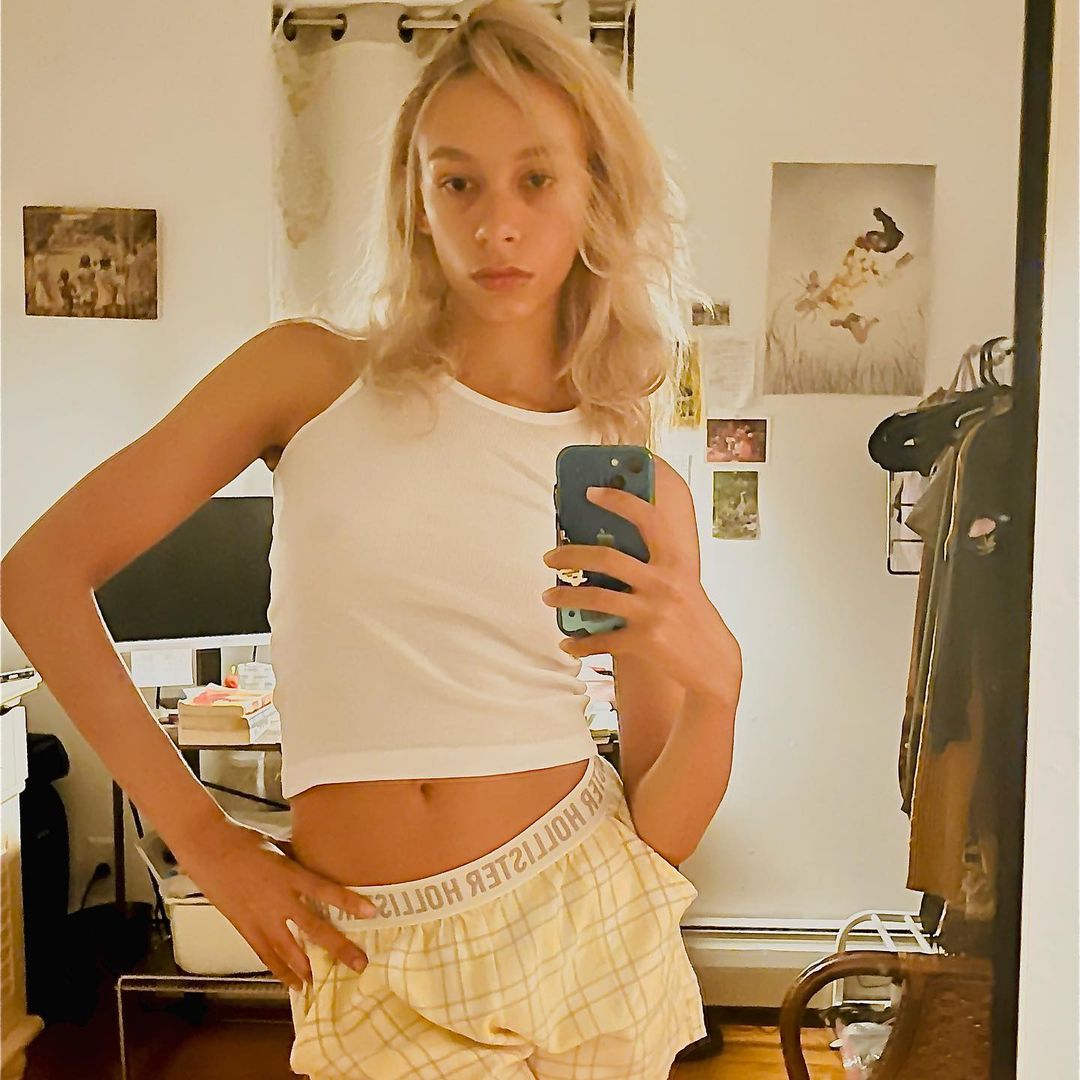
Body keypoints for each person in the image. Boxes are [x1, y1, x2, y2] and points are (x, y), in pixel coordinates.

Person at [1, 3, 741, 1076]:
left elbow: (657, 836)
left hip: (579, 917)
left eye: (536, 178)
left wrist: (721, 690)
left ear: (594, 193)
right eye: (459, 181)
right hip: (363, 941)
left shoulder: (632, 482)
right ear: (416, 199)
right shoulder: (305, 377)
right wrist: (205, 841)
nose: (497, 225)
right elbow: (36, 578)